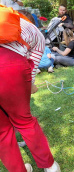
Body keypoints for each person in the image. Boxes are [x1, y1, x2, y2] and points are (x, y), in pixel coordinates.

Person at [0, 9, 60, 171]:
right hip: (8, 67)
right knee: (24, 121)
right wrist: (30, 83)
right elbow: (34, 58)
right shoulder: (29, 27)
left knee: (1, 131)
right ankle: (50, 166)